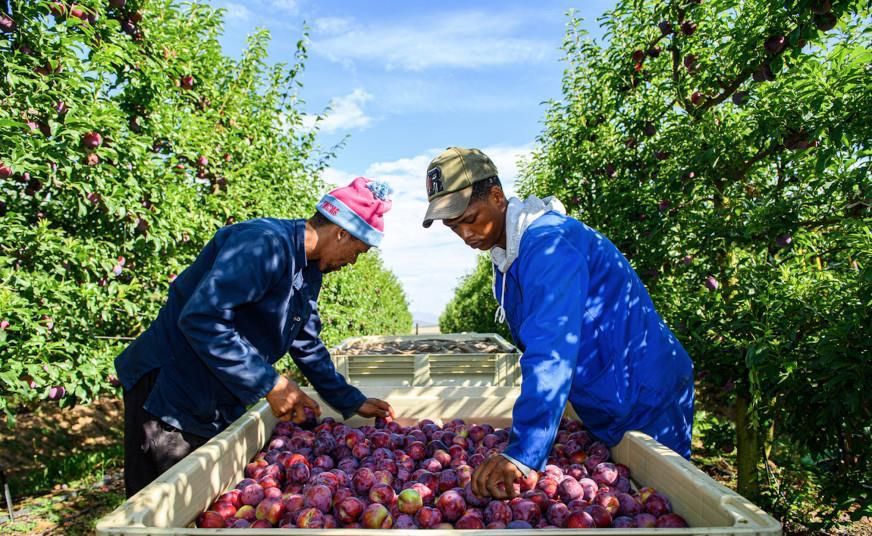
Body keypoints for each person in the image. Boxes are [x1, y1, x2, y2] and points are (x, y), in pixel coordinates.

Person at [422, 147, 694, 499]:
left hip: (645, 395)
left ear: (496, 196)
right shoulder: (508, 256)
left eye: (469, 218)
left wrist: (524, 451)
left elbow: (551, 348)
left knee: (662, 500)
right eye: (453, 227)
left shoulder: (549, 245)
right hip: (607, 396)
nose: (465, 235)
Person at [115, 177, 396, 497]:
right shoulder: (263, 245)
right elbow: (202, 319)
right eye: (357, 251)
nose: (352, 262)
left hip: (214, 394)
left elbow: (306, 342)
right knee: (165, 503)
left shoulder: (309, 271)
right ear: (341, 233)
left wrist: (350, 399)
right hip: (169, 390)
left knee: (207, 497)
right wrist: (271, 383)